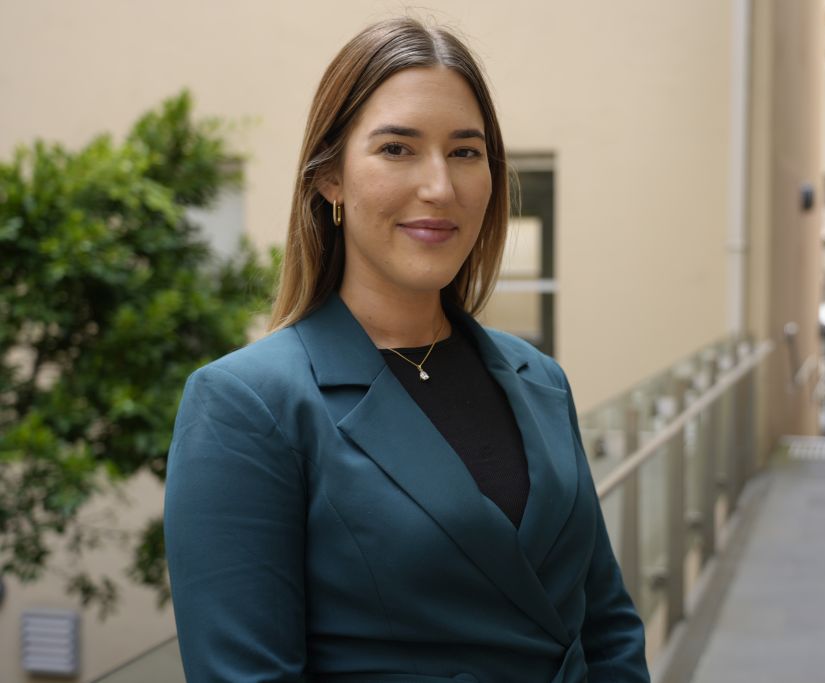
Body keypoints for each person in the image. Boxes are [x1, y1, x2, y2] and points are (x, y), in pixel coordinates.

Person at [164, 17, 649, 683]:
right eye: (397, 149)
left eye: (465, 152)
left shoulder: (541, 380)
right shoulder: (247, 405)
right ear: (330, 177)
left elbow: (609, 626)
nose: (440, 187)